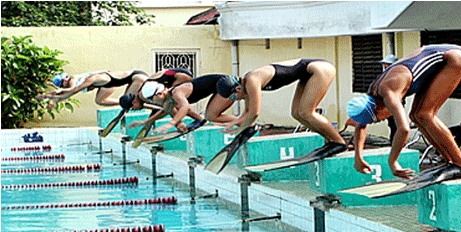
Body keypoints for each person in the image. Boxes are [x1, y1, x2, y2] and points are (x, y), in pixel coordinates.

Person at [346, 44, 461, 179]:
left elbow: (404, 129)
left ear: (377, 108)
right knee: (416, 115)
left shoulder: (388, 92)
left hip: (454, 58)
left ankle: (460, 164)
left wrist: (392, 162)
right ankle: (450, 161)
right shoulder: (372, 96)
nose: (381, 121)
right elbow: (361, 126)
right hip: (442, 60)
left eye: (376, 119)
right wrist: (358, 158)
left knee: (425, 114)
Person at [214, 58, 347, 152]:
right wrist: (235, 123)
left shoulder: (252, 81)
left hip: (319, 69)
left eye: (233, 97)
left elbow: (255, 113)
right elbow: (247, 111)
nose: (235, 100)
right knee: (297, 114)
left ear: (237, 89)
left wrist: (239, 132)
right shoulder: (245, 85)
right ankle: (330, 141)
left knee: (307, 112)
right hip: (306, 73)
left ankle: (339, 142)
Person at [128, 74, 235, 134]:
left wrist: (172, 123)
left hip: (226, 84)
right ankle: (243, 122)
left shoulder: (176, 92)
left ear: (159, 94)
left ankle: (245, 123)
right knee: (211, 116)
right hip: (220, 86)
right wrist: (144, 122)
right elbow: (163, 112)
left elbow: (185, 107)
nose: (152, 102)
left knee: (211, 116)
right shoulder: (169, 98)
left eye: (152, 99)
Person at [38, 70, 148, 108]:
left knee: (130, 102)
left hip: (137, 77)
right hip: (113, 83)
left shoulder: (84, 79)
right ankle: (123, 104)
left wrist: (53, 96)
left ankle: (154, 107)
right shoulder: (83, 80)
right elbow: (69, 93)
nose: (64, 87)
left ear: (65, 79)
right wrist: (54, 98)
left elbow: (73, 90)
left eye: (63, 84)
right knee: (100, 101)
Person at [379, 54, 405, 144]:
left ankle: (398, 144)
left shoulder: (397, 76)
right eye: (385, 64)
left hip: (397, 104)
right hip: (388, 104)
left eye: (388, 64)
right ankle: (393, 143)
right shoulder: (385, 75)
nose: (385, 66)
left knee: (398, 125)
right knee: (392, 125)